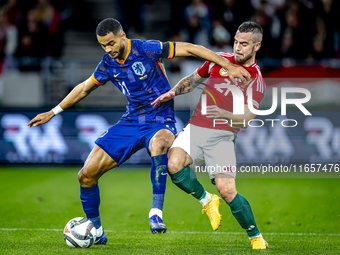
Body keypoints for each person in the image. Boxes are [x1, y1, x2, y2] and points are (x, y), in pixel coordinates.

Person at [27, 18, 251, 244]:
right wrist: (54, 111)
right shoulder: (107, 64)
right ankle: (96, 230)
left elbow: (191, 48)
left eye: (111, 43)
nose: (108, 49)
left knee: (160, 143)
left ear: (122, 35)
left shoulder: (147, 49)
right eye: (103, 45)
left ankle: (156, 213)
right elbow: (84, 88)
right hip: (131, 121)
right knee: (86, 175)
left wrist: (228, 65)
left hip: (159, 118)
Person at [151, 21, 268, 249]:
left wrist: (224, 113)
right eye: (235, 42)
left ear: (257, 46)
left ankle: (255, 236)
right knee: (173, 164)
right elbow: (193, 80)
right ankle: (207, 200)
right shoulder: (219, 61)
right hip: (196, 127)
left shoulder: (256, 79)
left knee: (227, 191)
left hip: (222, 136)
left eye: (244, 44)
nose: (237, 47)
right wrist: (172, 92)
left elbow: (246, 119)